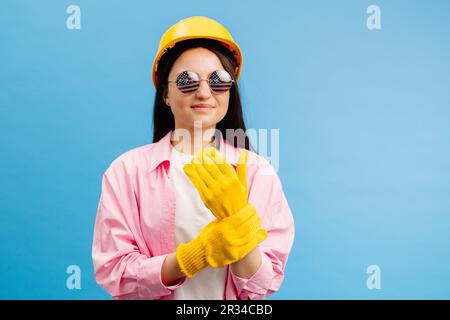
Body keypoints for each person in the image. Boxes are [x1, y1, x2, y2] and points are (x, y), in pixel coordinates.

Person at [92, 16, 295, 300]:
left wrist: (238, 224)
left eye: (219, 81)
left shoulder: (257, 173)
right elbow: (115, 274)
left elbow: (263, 286)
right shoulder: (126, 171)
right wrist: (192, 257)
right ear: (165, 93)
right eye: (187, 81)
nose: (203, 92)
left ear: (230, 91)